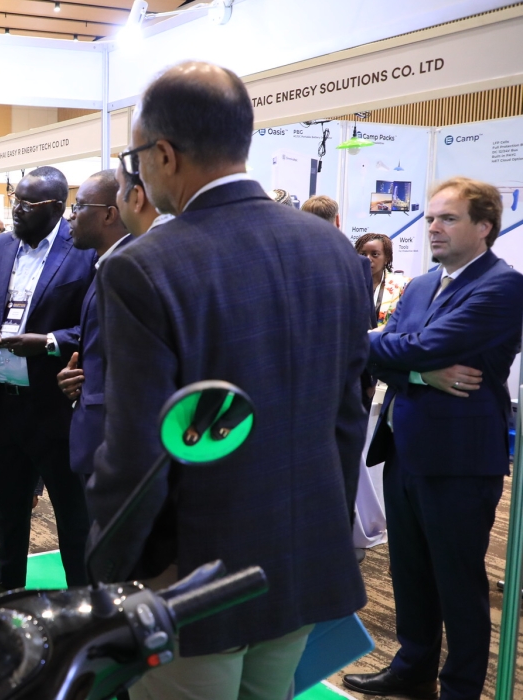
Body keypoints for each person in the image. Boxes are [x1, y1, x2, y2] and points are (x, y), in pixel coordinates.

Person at [87, 61, 369, 700]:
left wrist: (111, 567)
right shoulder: (333, 250)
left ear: (163, 154)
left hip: (191, 576)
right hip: (298, 556)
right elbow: (346, 419)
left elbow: (138, 451)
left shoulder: (143, 267)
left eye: (136, 159)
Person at [344, 177, 523, 700]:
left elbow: (422, 344)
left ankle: (462, 686)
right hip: (404, 450)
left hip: (460, 460)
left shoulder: (502, 285)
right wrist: (422, 374)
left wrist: (408, 355)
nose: (432, 228)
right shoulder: (422, 284)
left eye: (448, 218)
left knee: (459, 580)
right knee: (410, 570)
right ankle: (413, 665)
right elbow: (379, 349)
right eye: (429, 219)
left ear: (484, 226)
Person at [0, 166, 96, 604]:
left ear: (57, 207)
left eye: (27, 204)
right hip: (0, 399)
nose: (15, 209)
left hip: (55, 404)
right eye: (14, 199)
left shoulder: (84, 251)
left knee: (73, 514)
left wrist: (51, 342)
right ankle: (8, 582)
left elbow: (96, 325)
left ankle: (84, 596)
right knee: (9, 506)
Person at [57, 169, 156, 481]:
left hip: (115, 443)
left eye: (79, 206)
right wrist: (78, 377)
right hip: (97, 428)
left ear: (109, 215)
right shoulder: (107, 264)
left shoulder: (128, 268)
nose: (70, 217)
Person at [355, 232, 409, 329]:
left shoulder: (403, 285)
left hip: (387, 342)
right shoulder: (348, 285)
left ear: (387, 259)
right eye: (363, 254)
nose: (368, 259)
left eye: (375, 254)